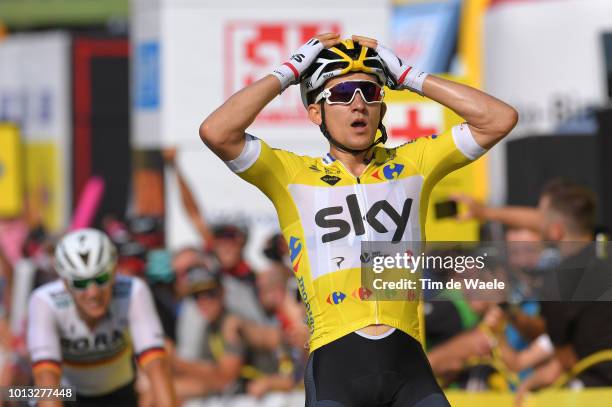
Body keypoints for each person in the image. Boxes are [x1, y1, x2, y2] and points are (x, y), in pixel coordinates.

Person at [200, 32, 518, 406]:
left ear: (382, 110)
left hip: (409, 369)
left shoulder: (413, 163)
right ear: (315, 112)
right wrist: (289, 72)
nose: (358, 104)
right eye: (341, 93)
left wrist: (411, 78)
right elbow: (216, 132)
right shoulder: (291, 174)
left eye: (370, 93)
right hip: (336, 371)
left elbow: (499, 120)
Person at [27, 228, 177, 407]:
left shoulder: (133, 291)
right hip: (67, 394)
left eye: (101, 278)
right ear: (66, 283)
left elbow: (157, 367)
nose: (93, 293)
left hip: (120, 394)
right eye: (80, 282)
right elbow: (46, 378)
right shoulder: (45, 301)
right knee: (15, 392)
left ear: (114, 273)